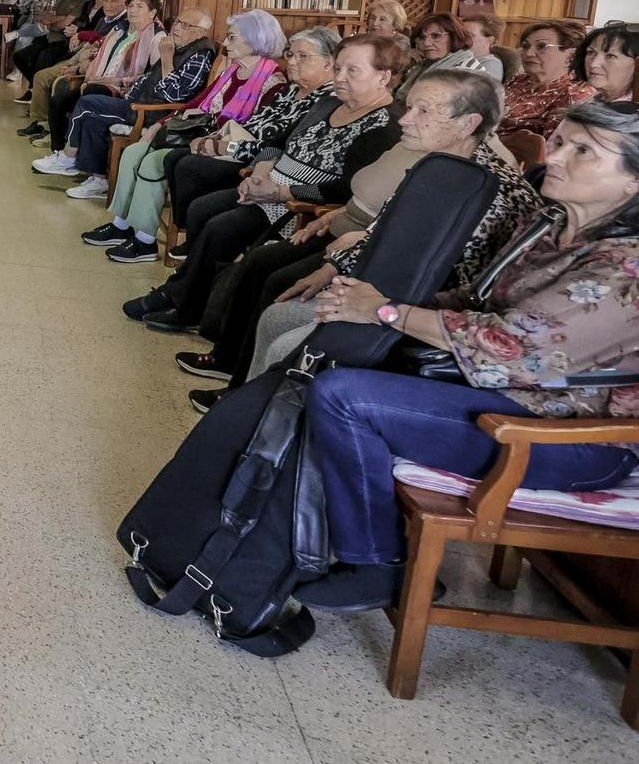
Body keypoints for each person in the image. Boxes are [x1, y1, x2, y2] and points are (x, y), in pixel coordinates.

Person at [292, 100, 639, 613]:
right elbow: (478, 301)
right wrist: (367, 301)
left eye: (584, 151)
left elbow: (514, 347)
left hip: (570, 436)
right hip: (501, 396)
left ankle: (376, 564)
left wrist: (387, 313)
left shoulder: (625, 267)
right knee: (339, 357)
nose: (557, 156)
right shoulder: (551, 222)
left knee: (344, 397)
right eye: (561, 141)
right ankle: (296, 532)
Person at [200, 69, 543, 402]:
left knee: (283, 334)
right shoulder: (436, 163)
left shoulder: (486, 187)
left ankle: (267, 426)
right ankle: (245, 406)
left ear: (468, 123)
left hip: (426, 317)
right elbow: (386, 228)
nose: (405, 119)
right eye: (409, 106)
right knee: (277, 313)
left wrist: (368, 300)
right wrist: (332, 267)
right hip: (381, 289)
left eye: (423, 111)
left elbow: (455, 280)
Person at [130, 32, 403, 333]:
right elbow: (277, 141)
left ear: (383, 77)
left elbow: (344, 189)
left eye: (353, 70)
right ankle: (187, 291)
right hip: (268, 185)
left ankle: (186, 304)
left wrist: (280, 191)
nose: (340, 77)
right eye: (338, 68)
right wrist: (260, 173)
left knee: (220, 226)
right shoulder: (328, 102)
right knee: (202, 209)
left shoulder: (383, 126)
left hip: (297, 206)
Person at [86, 10, 290, 259]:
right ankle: (121, 225)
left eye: (232, 38)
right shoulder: (231, 71)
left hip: (222, 148)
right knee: (133, 152)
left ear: (255, 40)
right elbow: (196, 102)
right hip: (197, 135)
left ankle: (145, 240)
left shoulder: (274, 82)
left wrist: (206, 132)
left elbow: (253, 130)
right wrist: (159, 124)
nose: (225, 44)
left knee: (152, 162)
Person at [37, 6, 216, 199]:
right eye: (177, 22)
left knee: (87, 104)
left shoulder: (200, 55)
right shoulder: (178, 46)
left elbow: (173, 95)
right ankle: (99, 180)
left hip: (150, 114)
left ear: (200, 32)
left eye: (186, 25)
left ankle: (68, 157)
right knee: (91, 117)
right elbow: (149, 78)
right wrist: (128, 88)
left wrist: (165, 58)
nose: (177, 28)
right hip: (137, 102)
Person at [36, 0, 164, 151]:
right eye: (131, 6)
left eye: (140, 7)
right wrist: (83, 64)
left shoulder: (157, 36)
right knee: (57, 102)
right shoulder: (121, 29)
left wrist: (119, 80)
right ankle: (58, 150)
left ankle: (72, 152)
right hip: (100, 80)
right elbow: (98, 48)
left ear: (152, 12)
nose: (133, 10)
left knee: (90, 93)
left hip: (123, 90)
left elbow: (154, 75)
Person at [18, 0, 127, 132]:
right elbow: (90, 43)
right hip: (77, 57)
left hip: (92, 69)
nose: (107, 5)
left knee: (45, 76)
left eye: (113, 2)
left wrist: (76, 60)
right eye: (106, 1)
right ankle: (40, 122)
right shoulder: (104, 20)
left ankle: (46, 127)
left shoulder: (123, 24)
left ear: (125, 3)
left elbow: (98, 48)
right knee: (39, 68)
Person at [500, 20, 597, 139]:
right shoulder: (519, 80)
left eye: (542, 46)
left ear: (571, 55)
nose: (529, 53)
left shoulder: (575, 94)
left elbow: (551, 147)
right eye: (525, 46)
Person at [397, 12, 478, 100]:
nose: (426, 43)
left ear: (454, 37)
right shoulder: (421, 66)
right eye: (422, 37)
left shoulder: (466, 71)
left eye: (436, 36)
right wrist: (404, 64)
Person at [576, 21, 638, 102]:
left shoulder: (632, 112)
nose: (593, 64)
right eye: (591, 53)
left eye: (610, 56)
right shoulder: (589, 101)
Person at [443, 10, 504, 83]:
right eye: (461, 33)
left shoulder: (491, 65)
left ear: (490, 40)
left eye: (470, 35)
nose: (462, 38)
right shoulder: (456, 54)